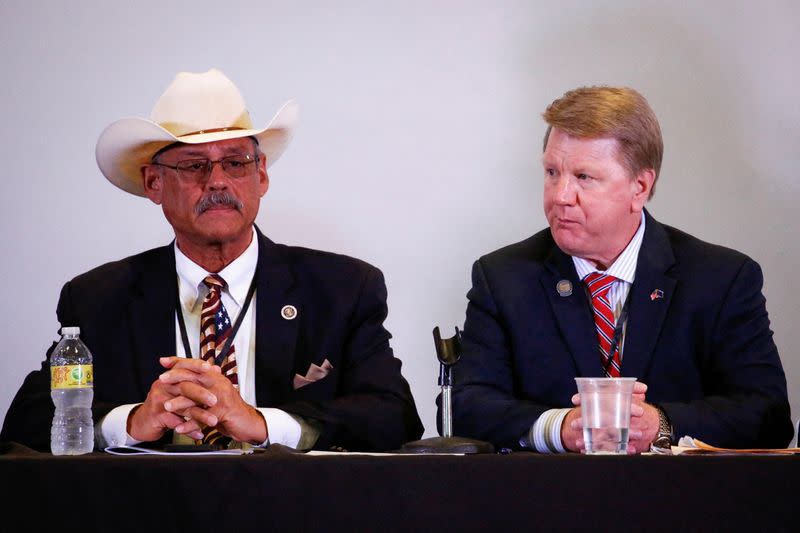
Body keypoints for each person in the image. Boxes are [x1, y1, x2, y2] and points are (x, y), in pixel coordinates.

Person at [1, 69, 423, 452]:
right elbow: (29, 419)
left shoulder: (343, 289)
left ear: (261, 177)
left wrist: (261, 423)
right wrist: (132, 421)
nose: (217, 181)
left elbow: (395, 417)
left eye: (236, 163)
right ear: (154, 183)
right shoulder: (99, 298)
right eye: (193, 165)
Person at [446, 86, 792, 453]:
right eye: (551, 172)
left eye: (584, 177)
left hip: (683, 503)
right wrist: (559, 427)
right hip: (548, 501)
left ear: (640, 187)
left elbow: (767, 414)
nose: (561, 195)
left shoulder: (721, 279)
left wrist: (661, 423)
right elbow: (462, 407)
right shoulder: (503, 278)